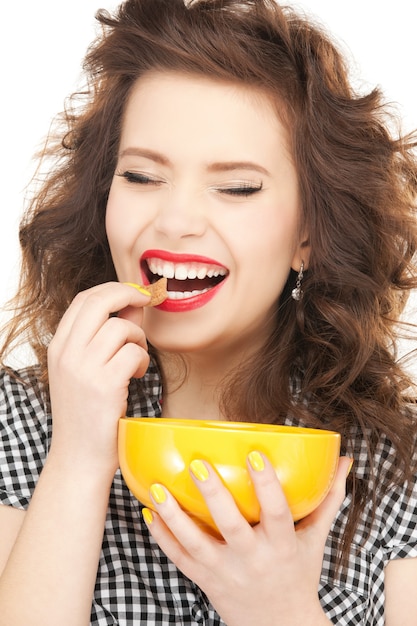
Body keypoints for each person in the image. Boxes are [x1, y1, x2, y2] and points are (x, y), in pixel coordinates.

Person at [1, 0, 416, 623]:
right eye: (141, 176)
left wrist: (279, 611)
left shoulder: (393, 469)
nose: (173, 221)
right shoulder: (20, 427)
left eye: (237, 187)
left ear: (308, 235)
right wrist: (79, 458)